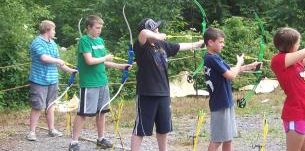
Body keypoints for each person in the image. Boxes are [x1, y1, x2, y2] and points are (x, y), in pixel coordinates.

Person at [130, 18, 204, 151]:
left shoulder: (161, 45)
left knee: (163, 128)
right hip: (146, 93)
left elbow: (179, 46)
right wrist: (157, 35)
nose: (158, 30)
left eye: (157, 29)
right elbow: (143, 34)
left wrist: (198, 43)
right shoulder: (141, 47)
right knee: (141, 128)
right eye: (155, 29)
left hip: (163, 92)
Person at [69, 15, 132, 151]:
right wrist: (105, 57)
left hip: (102, 81)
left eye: (101, 28)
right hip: (89, 83)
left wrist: (121, 66)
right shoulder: (84, 41)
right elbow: (89, 61)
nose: (99, 30)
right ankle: (74, 142)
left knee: (102, 112)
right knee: (83, 113)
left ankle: (100, 138)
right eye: (97, 27)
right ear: (88, 27)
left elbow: (104, 62)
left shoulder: (100, 41)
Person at [203, 27, 261, 151]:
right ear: (210, 42)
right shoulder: (211, 58)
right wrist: (239, 62)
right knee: (217, 139)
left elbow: (230, 70)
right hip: (220, 103)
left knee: (228, 137)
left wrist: (249, 66)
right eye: (220, 42)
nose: (223, 45)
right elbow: (231, 75)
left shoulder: (215, 57)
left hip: (225, 102)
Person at [26, 20, 77, 141]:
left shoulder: (53, 43)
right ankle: (31, 132)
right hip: (39, 80)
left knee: (51, 105)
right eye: (53, 29)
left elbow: (59, 62)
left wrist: (70, 70)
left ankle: (51, 129)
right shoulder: (37, 42)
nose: (54, 32)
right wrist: (58, 61)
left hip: (52, 79)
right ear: (47, 30)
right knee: (37, 106)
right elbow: (44, 58)